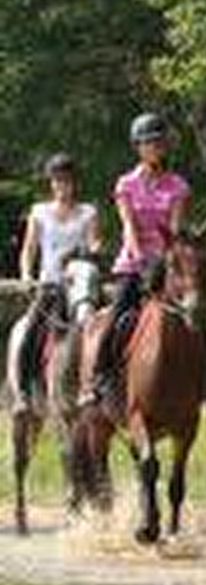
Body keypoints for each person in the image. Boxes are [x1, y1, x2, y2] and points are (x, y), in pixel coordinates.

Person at [81, 112, 206, 411]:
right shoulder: (126, 184)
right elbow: (128, 224)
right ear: (138, 147)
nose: (157, 147)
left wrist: (172, 257)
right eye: (150, 143)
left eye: (160, 142)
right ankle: (98, 380)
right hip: (134, 262)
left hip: (168, 263)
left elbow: (175, 228)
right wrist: (139, 256)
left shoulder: (177, 185)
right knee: (117, 316)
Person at [11, 153, 101, 409]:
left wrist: (94, 249)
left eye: (67, 181)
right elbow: (28, 250)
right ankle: (24, 392)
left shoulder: (88, 212)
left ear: (75, 183)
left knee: (103, 327)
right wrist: (27, 276)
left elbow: (94, 242)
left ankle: (101, 384)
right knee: (30, 331)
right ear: (51, 183)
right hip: (50, 285)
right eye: (58, 181)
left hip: (80, 285)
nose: (63, 187)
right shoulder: (39, 212)